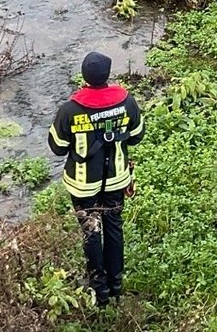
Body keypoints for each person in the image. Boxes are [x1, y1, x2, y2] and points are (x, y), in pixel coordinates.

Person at [47, 51, 144, 307]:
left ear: (84, 76)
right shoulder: (126, 102)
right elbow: (136, 135)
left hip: (82, 185)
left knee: (91, 232)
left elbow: (57, 147)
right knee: (114, 228)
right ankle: (116, 284)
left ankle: (99, 290)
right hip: (117, 179)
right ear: (107, 75)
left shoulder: (69, 110)